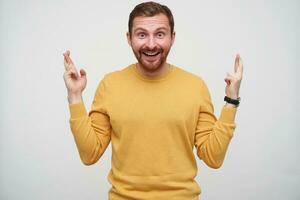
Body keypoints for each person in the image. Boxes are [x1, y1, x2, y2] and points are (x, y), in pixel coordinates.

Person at [63, 1, 243, 200]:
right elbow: (90, 154)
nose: (151, 44)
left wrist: (231, 100)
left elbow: (213, 157)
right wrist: (75, 97)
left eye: (160, 34)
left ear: (172, 37)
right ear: (129, 38)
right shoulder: (110, 85)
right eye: (141, 34)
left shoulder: (195, 86)